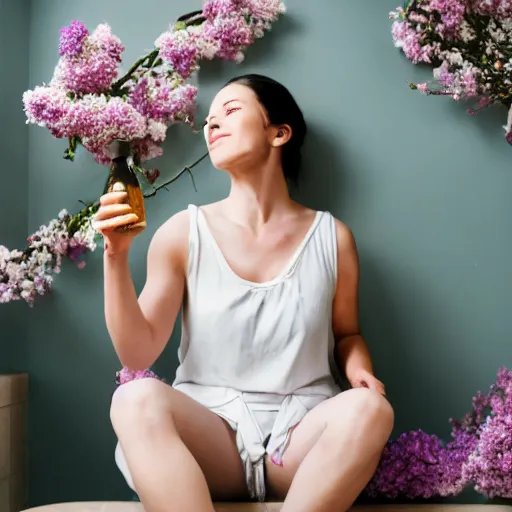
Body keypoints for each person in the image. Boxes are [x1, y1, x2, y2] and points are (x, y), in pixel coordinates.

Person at [94, 74, 394, 512]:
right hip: (212, 438)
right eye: (210, 120)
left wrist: (359, 373)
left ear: (279, 132)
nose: (213, 124)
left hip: (299, 439)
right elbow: (136, 356)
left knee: (372, 411)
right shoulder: (183, 232)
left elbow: (347, 334)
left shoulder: (333, 238)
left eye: (231, 111)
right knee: (133, 396)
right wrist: (115, 256)